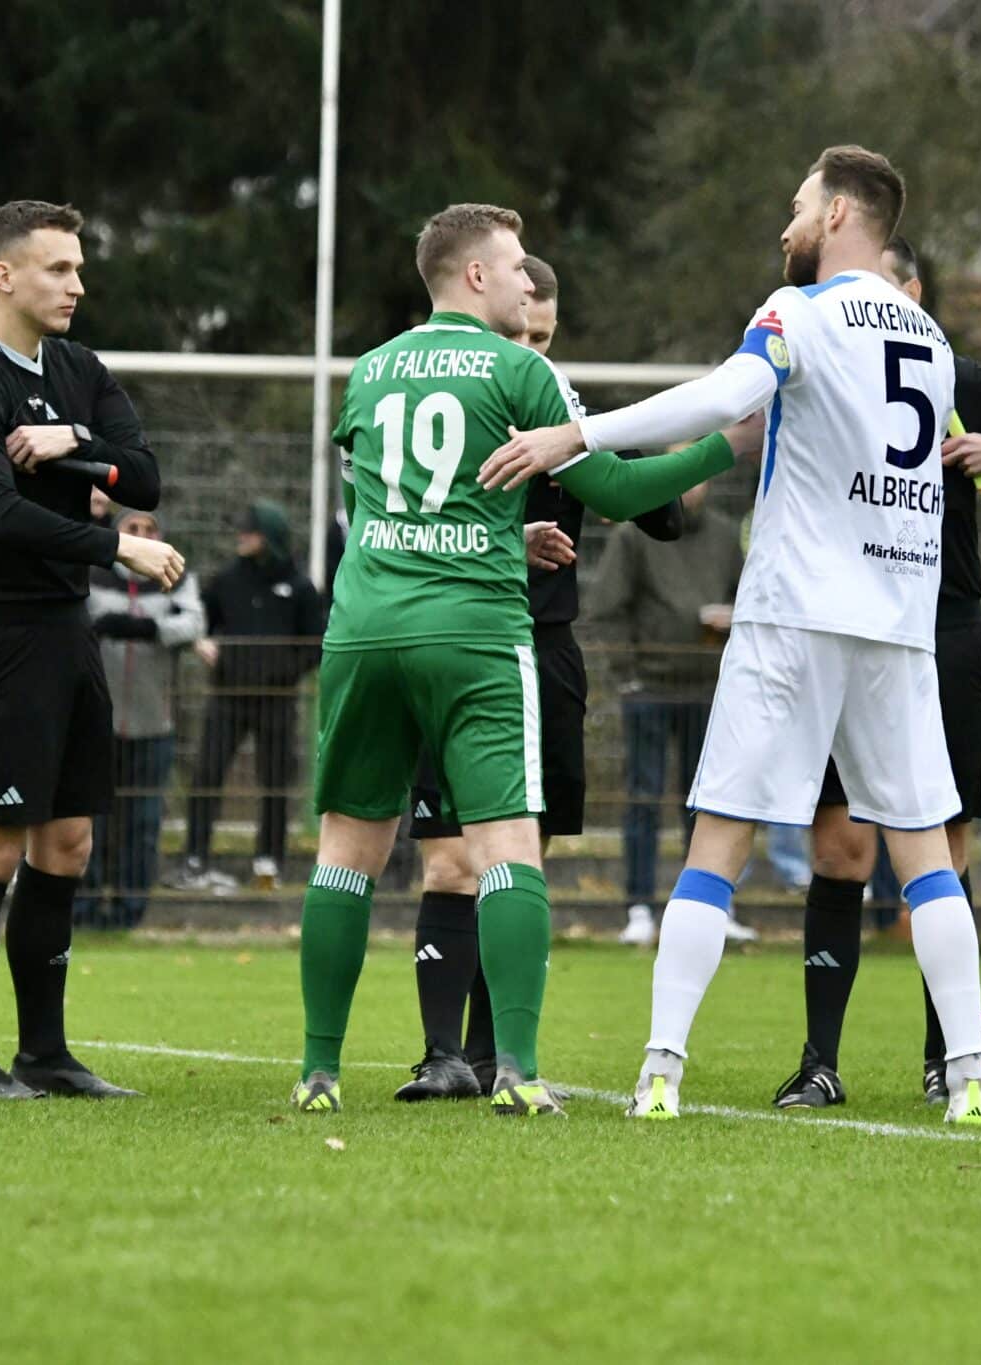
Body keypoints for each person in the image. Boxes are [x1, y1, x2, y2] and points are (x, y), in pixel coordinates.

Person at [488, 145, 981, 1124]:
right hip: (895, 625)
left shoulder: (795, 313)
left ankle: (660, 1071)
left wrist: (577, 434)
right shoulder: (930, 340)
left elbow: (725, 397)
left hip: (794, 617)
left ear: (840, 212)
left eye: (798, 203)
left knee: (716, 844)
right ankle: (969, 1076)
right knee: (926, 856)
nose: (785, 222)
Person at [295, 201, 752, 1117]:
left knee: (345, 855)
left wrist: (503, 527)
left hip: (365, 625)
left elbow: (395, 499)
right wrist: (720, 444)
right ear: (473, 276)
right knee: (507, 851)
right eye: (512, 267)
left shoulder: (371, 370)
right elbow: (616, 490)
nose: (524, 281)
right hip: (471, 633)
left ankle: (317, 1074)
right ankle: (518, 1072)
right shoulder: (520, 369)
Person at [774, 235, 981, 1110]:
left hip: (943, 639)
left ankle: (946, 1059)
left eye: (880, 284)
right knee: (840, 848)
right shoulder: (824, 373)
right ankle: (819, 1062)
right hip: (849, 629)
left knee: (940, 857)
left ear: (915, 291)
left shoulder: (959, 376)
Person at [394, 253, 690, 1102]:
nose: (528, 349)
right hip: (457, 637)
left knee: (519, 861)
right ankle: (440, 1053)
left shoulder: (559, 408)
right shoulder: (448, 403)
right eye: (518, 333)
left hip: (546, 649)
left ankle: (494, 1055)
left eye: (543, 339)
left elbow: (660, 514)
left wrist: (621, 433)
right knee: (450, 860)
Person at [0, 199, 183, 1100]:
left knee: (66, 843)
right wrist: (118, 543)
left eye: (78, 267)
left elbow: (144, 472)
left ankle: (45, 1054)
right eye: (58, 269)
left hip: (67, 632)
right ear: (5, 275)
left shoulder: (78, 369)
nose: (77, 284)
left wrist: (75, 441)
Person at [584, 477, 745, 949]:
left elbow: (748, 592)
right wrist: (627, 673)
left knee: (708, 803)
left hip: (708, 686)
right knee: (643, 797)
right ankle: (639, 906)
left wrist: (732, 619)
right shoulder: (634, 534)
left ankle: (715, 907)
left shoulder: (722, 533)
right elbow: (607, 606)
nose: (692, 489)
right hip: (649, 687)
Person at [175, 499, 325, 893]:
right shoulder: (228, 579)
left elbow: (315, 644)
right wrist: (200, 641)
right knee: (206, 774)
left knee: (275, 781)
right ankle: (194, 859)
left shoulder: (298, 586)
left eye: (250, 530)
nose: (241, 536)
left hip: (277, 701)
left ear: (270, 537)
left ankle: (269, 862)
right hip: (228, 696)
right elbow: (197, 617)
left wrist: (283, 672)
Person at [74, 506, 204, 929]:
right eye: (133, 527)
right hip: (96, 722)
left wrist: (145, 628)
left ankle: (129, 912)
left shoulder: (174, 575)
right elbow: (79, 618)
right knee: (90, 820)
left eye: (150, 528)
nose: (143, 532)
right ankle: (86, 909)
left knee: (142, 823)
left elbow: (194, 623)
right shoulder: (93, 572)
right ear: (119, 533)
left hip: (153, 723)